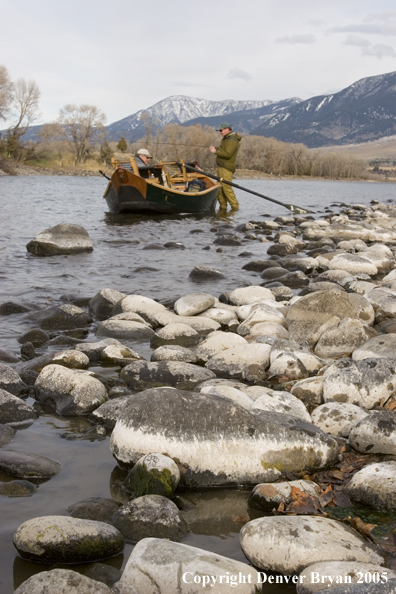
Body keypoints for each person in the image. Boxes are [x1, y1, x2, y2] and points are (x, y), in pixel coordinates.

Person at [209, 122, 242, 211]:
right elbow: (223, 150)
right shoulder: (226, 139)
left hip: (226, 167)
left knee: (226, 188)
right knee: (219, 188)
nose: (220, 132)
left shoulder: (232, 140)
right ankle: (223, 208)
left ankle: (235, 208)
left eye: (221, 130)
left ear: (227, 129)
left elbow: (227, 154)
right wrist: (215, 149)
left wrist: (215, 151)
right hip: (221, 166)